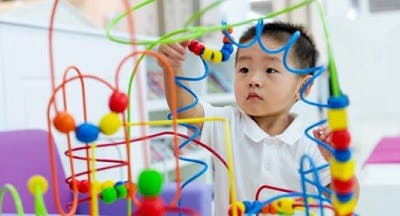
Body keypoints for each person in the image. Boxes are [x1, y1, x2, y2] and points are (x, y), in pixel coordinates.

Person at [158, 21, 358, 215]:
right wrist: (172, 67)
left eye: (270, 70)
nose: (253, 80)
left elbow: (346, 201)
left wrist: (338, 162)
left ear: (303, 86)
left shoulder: (313, 143)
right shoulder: (226, 122)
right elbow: (185, 110)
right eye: (244, 70)